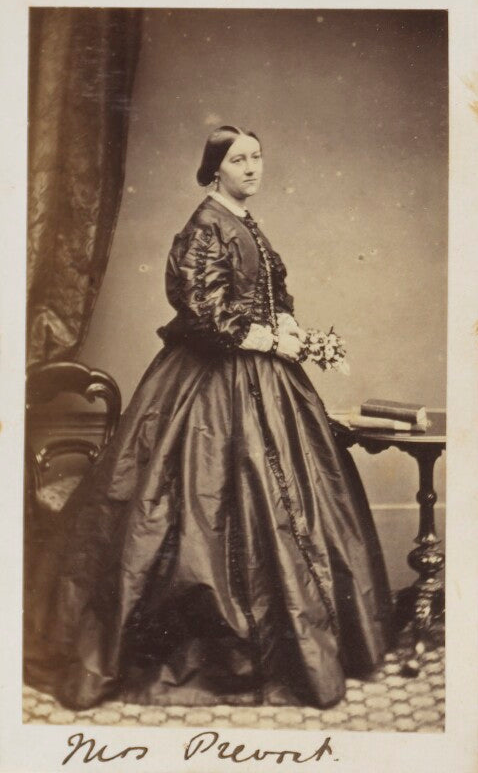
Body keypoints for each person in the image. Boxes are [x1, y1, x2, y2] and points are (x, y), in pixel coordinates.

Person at [25, 125, 392, 711]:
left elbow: (271, 293)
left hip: (267, 379)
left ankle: (302, 644)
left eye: (257, 157)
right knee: (196, 506)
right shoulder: (204, 226)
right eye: (239, 159)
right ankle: (221, 653)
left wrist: (289, 327)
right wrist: (270, 341)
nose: (252, 167)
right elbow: (201, 311)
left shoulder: (245, 222)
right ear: (215, 168)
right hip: (210, 382)